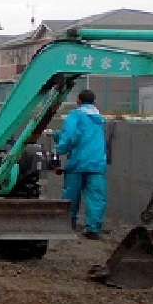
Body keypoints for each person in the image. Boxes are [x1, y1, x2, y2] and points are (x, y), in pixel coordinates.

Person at [54, 89, 108, 239]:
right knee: (96, 196)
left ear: (78, 101)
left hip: (78, 161)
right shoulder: (99, 118)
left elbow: (71, 136)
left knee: (72, 194)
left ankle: (68, 224)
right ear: (94, 101)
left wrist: (59, 147)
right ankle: (93, 228)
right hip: (97, 162)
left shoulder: (75, 115)